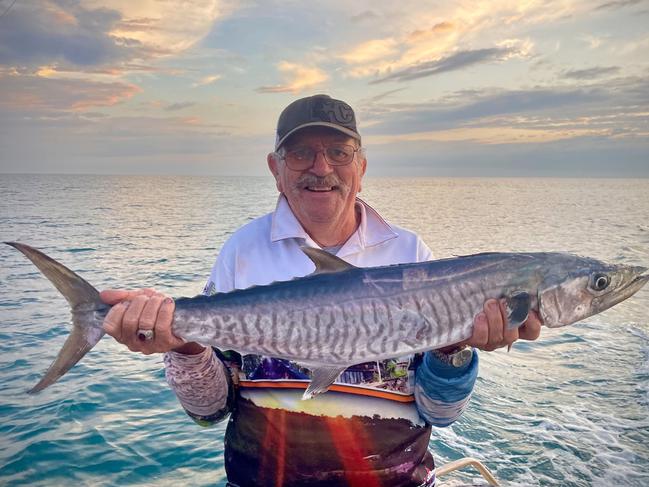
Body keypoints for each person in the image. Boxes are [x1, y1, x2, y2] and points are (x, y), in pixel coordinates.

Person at [101, 94, 542, 487]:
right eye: (300, 153)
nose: (321, 167)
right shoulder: (243, 251)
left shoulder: (411, 254)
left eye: (338, 152)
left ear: (361, 167)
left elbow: (442, 415)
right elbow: (209, 410)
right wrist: (185, 349)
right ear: (276, 169)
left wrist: (456, 351)